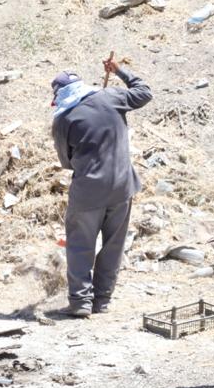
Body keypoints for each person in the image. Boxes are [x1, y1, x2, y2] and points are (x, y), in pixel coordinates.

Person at [51, 58, 152, 318]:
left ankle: (80, 302)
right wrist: (119, 71)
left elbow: (66, 162)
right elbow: (144, 92)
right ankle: (102, 300)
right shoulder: (111, 97)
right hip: (122, 186)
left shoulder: (63, 120)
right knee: (113, 245)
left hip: (88, 192)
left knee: (80, 245)